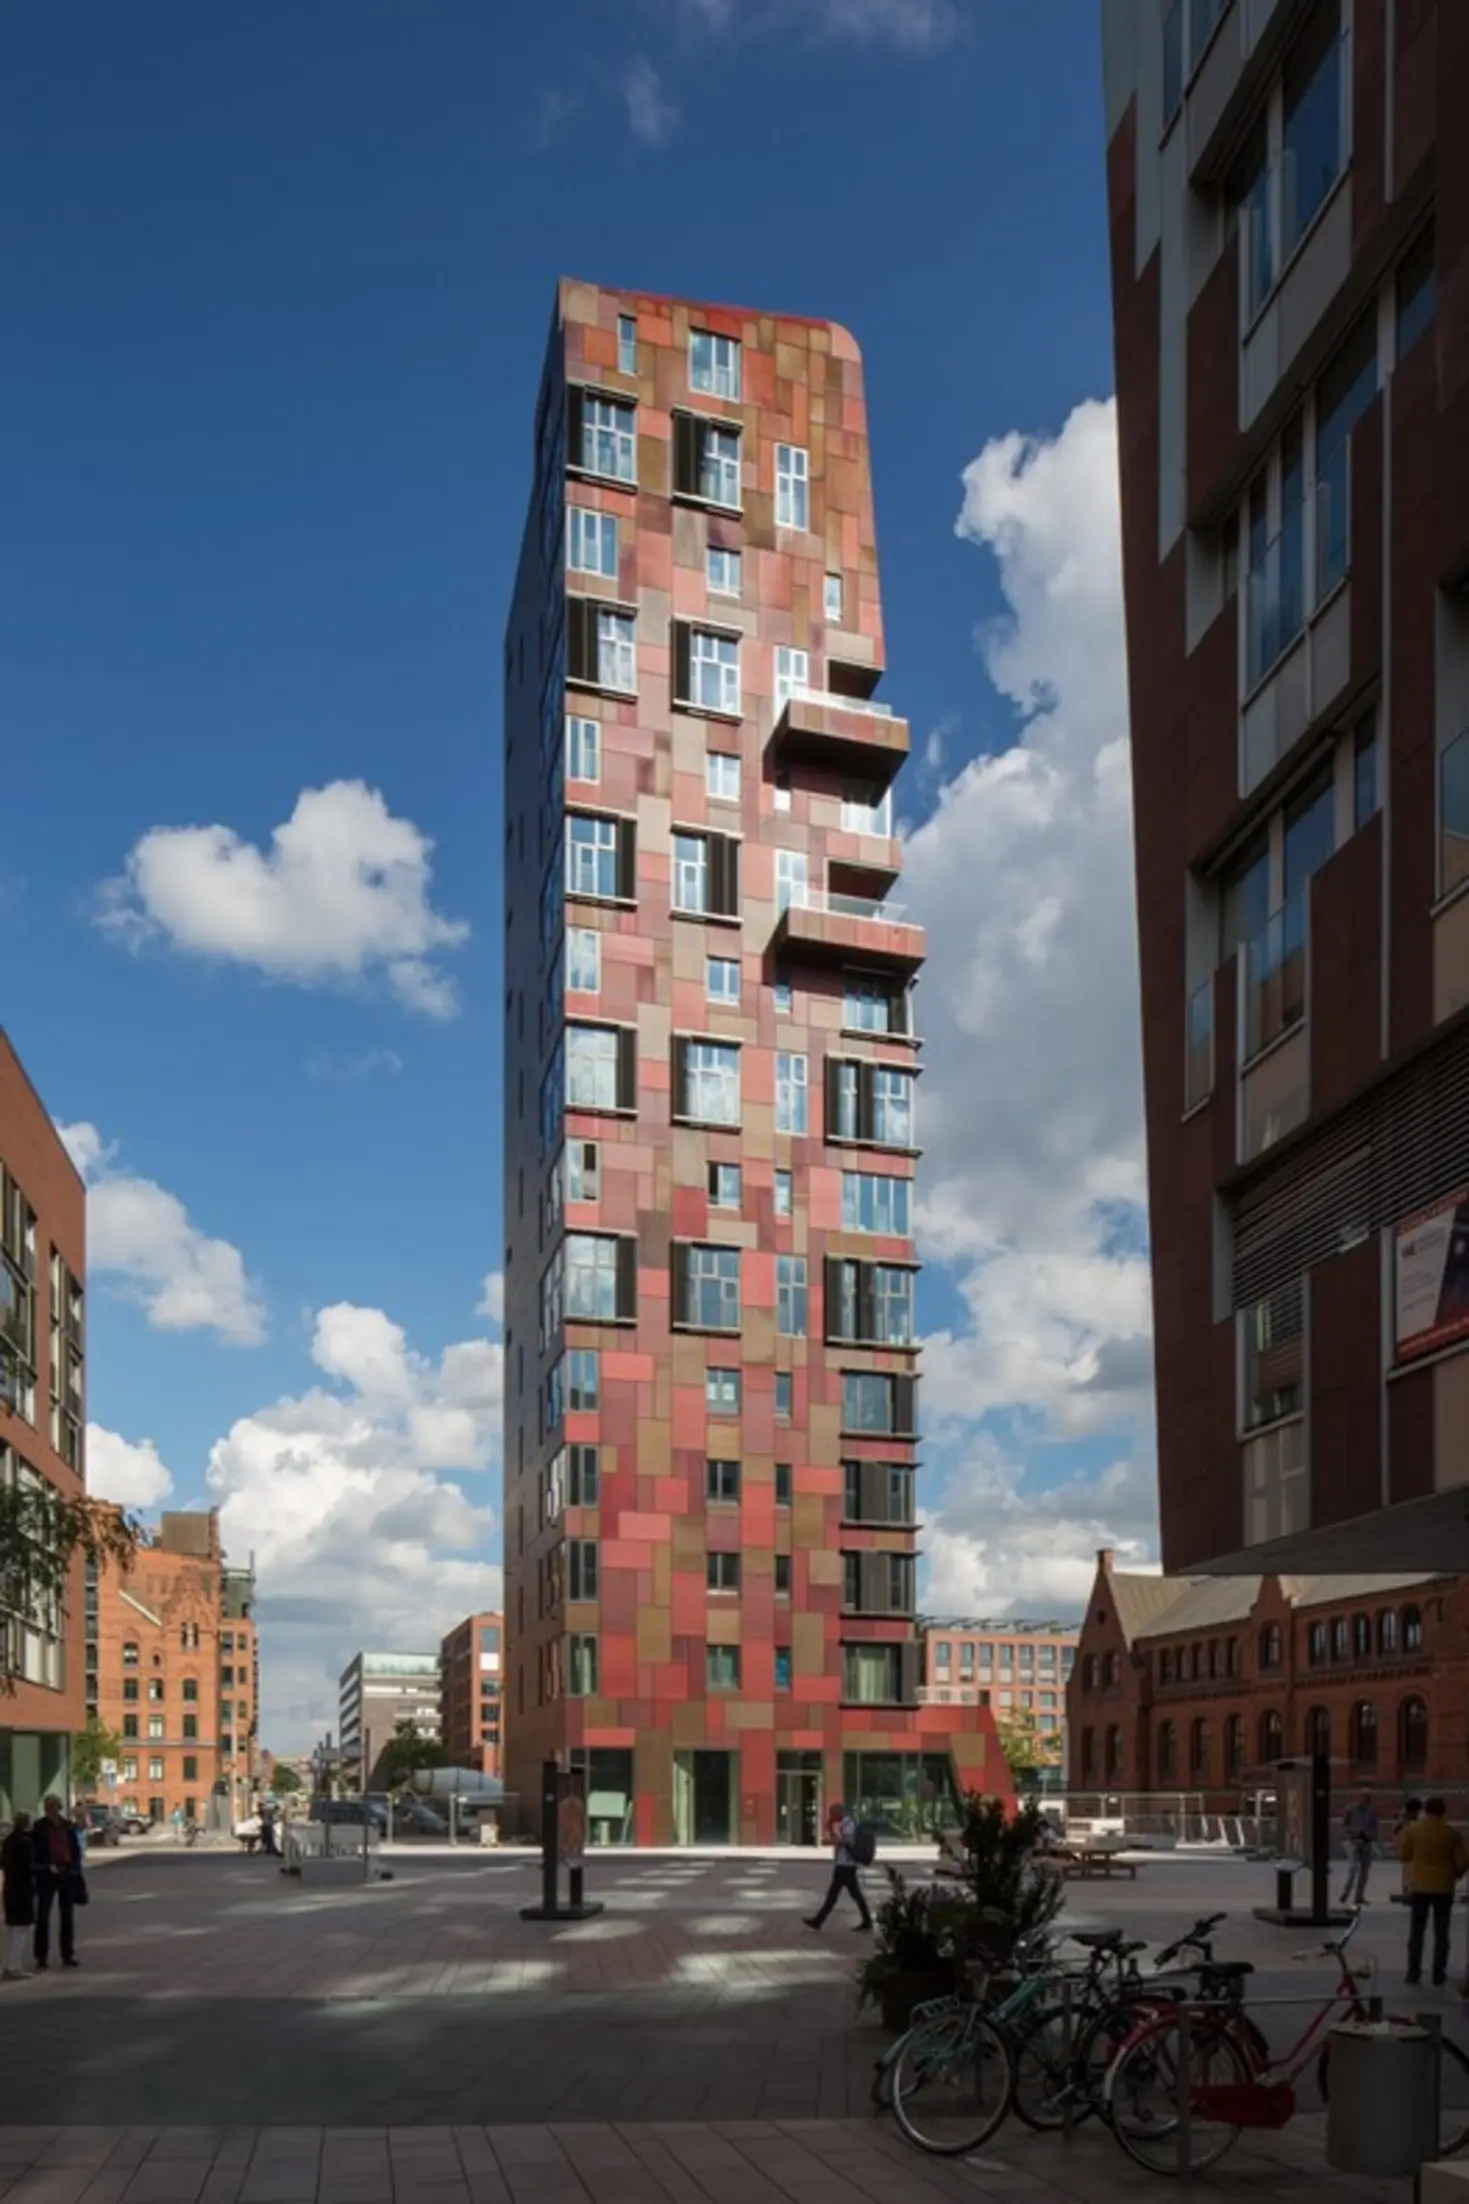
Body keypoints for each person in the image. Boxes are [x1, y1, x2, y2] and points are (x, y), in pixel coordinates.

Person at [1396, 1795, 1466, 1987]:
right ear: (1443, 1812)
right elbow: (1462, 1862)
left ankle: (1413, 1972)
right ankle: (1438, 1974)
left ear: (1424, 1811)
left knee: (1417, 1931)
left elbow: (1404, 1855)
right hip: (1443, 1887)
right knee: (1441, 1932)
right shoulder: (1451, 1834)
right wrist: (1454, 1874)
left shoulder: (1414, 1831)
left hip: (1420, 1886)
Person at [803, 1803, 873, 1933]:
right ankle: (867, 1921)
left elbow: (846, 1841)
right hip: (845, 1864)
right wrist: (831, 1829)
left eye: (832, 1813)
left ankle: (818, 1921)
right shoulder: (844, 1823)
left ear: (838, 1813)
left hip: (846, 1864)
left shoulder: (848, 1824)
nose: (831, 1816)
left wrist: (829, 1842)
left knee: (834, 1895)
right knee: (852, 1895)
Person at [31, 1795, 83, 1972]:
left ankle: (67, 1954)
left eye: (54, 1806)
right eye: (49, 1806)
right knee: (43, 1916)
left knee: (67, 1916)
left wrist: (73, 1869)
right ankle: (41, 1956)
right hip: (47, 1874)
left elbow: (75, 1849)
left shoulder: (67, 1826)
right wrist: (45, 1866)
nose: (51, 1809)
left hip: (66, 1873)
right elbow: (35, 1852)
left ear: (59, 1807)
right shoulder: (39, 1827)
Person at [2, 1812, 35, 1980]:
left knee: (12, 1928)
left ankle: (8, 1963)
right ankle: (15, 1965)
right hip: (23, 1888)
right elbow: (28, 1867)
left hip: (9, 1887)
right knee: (22, 1928)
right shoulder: (25, 1842)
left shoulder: (8, 1841)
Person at [1339, 1789, 1379, 1906]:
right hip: (1352, 1841)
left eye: (1369, 1798)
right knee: (1353, 1868)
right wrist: (1353, 1831)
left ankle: (1359, 1896)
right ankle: (1345, 1893)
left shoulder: (1372, 1811)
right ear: (1359, 1797)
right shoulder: (1350, 1809)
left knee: (1364, 1871)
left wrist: (1371, 1836)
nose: (1367, 1800)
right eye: (1365, 1797)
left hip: (1366, 1841)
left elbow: (1375, 1827)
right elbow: (1344, 1825)